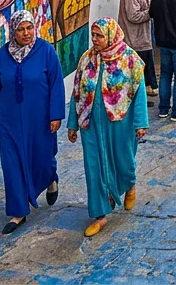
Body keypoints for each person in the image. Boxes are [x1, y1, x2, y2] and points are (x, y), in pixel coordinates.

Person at [0, 10, 65, 235]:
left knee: (42, 159)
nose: (25, 33)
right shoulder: (3, 56)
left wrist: (56, 115)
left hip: (40, 119)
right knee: (11, 164)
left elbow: (56, 85)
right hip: (10, 120)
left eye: (29, 28)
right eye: (20, 29)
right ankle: (18, 212)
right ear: (13, 31)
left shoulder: (46, 51)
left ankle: (50, 177)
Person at [66, 18, 148, 237]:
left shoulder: (129, 59)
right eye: (93, 35)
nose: (95, 40)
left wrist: (141, 123)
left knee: (124, 162)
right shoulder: (87, 59)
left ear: (111, 36)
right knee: (94, 167)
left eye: (99, 36)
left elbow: (138, 92)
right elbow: (77, 92)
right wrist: (72, 124)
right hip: (90, 124)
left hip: (120, 123)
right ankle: (100, 215)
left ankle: (129, 184)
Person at [119, 0, 155, 96]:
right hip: (134, 39)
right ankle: (136, 99)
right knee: (136, 73)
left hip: (141, 38)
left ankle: (142, 95)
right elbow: (133, 16)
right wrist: (151, 12)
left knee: (142, 71)